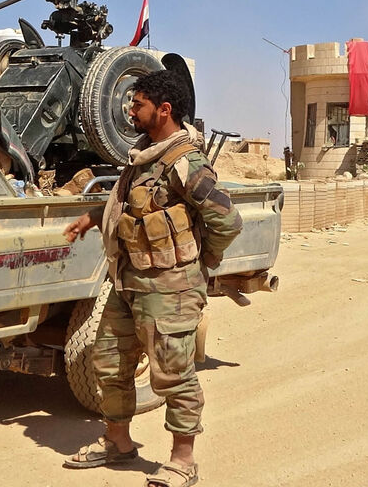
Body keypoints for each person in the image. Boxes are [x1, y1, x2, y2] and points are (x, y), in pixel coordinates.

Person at [61, 69, 242, 487]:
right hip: (128, 284)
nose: (130, 109)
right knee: (108, 364)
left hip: (169, 292)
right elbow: (135, 208)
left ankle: (183, 460)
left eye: (137, 103)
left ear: (163, 110)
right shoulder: (144, 154)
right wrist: (93, 217)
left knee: (173, 375)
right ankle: (118, 443)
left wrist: (201, 263)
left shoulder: (185, 163)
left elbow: (227, 221)